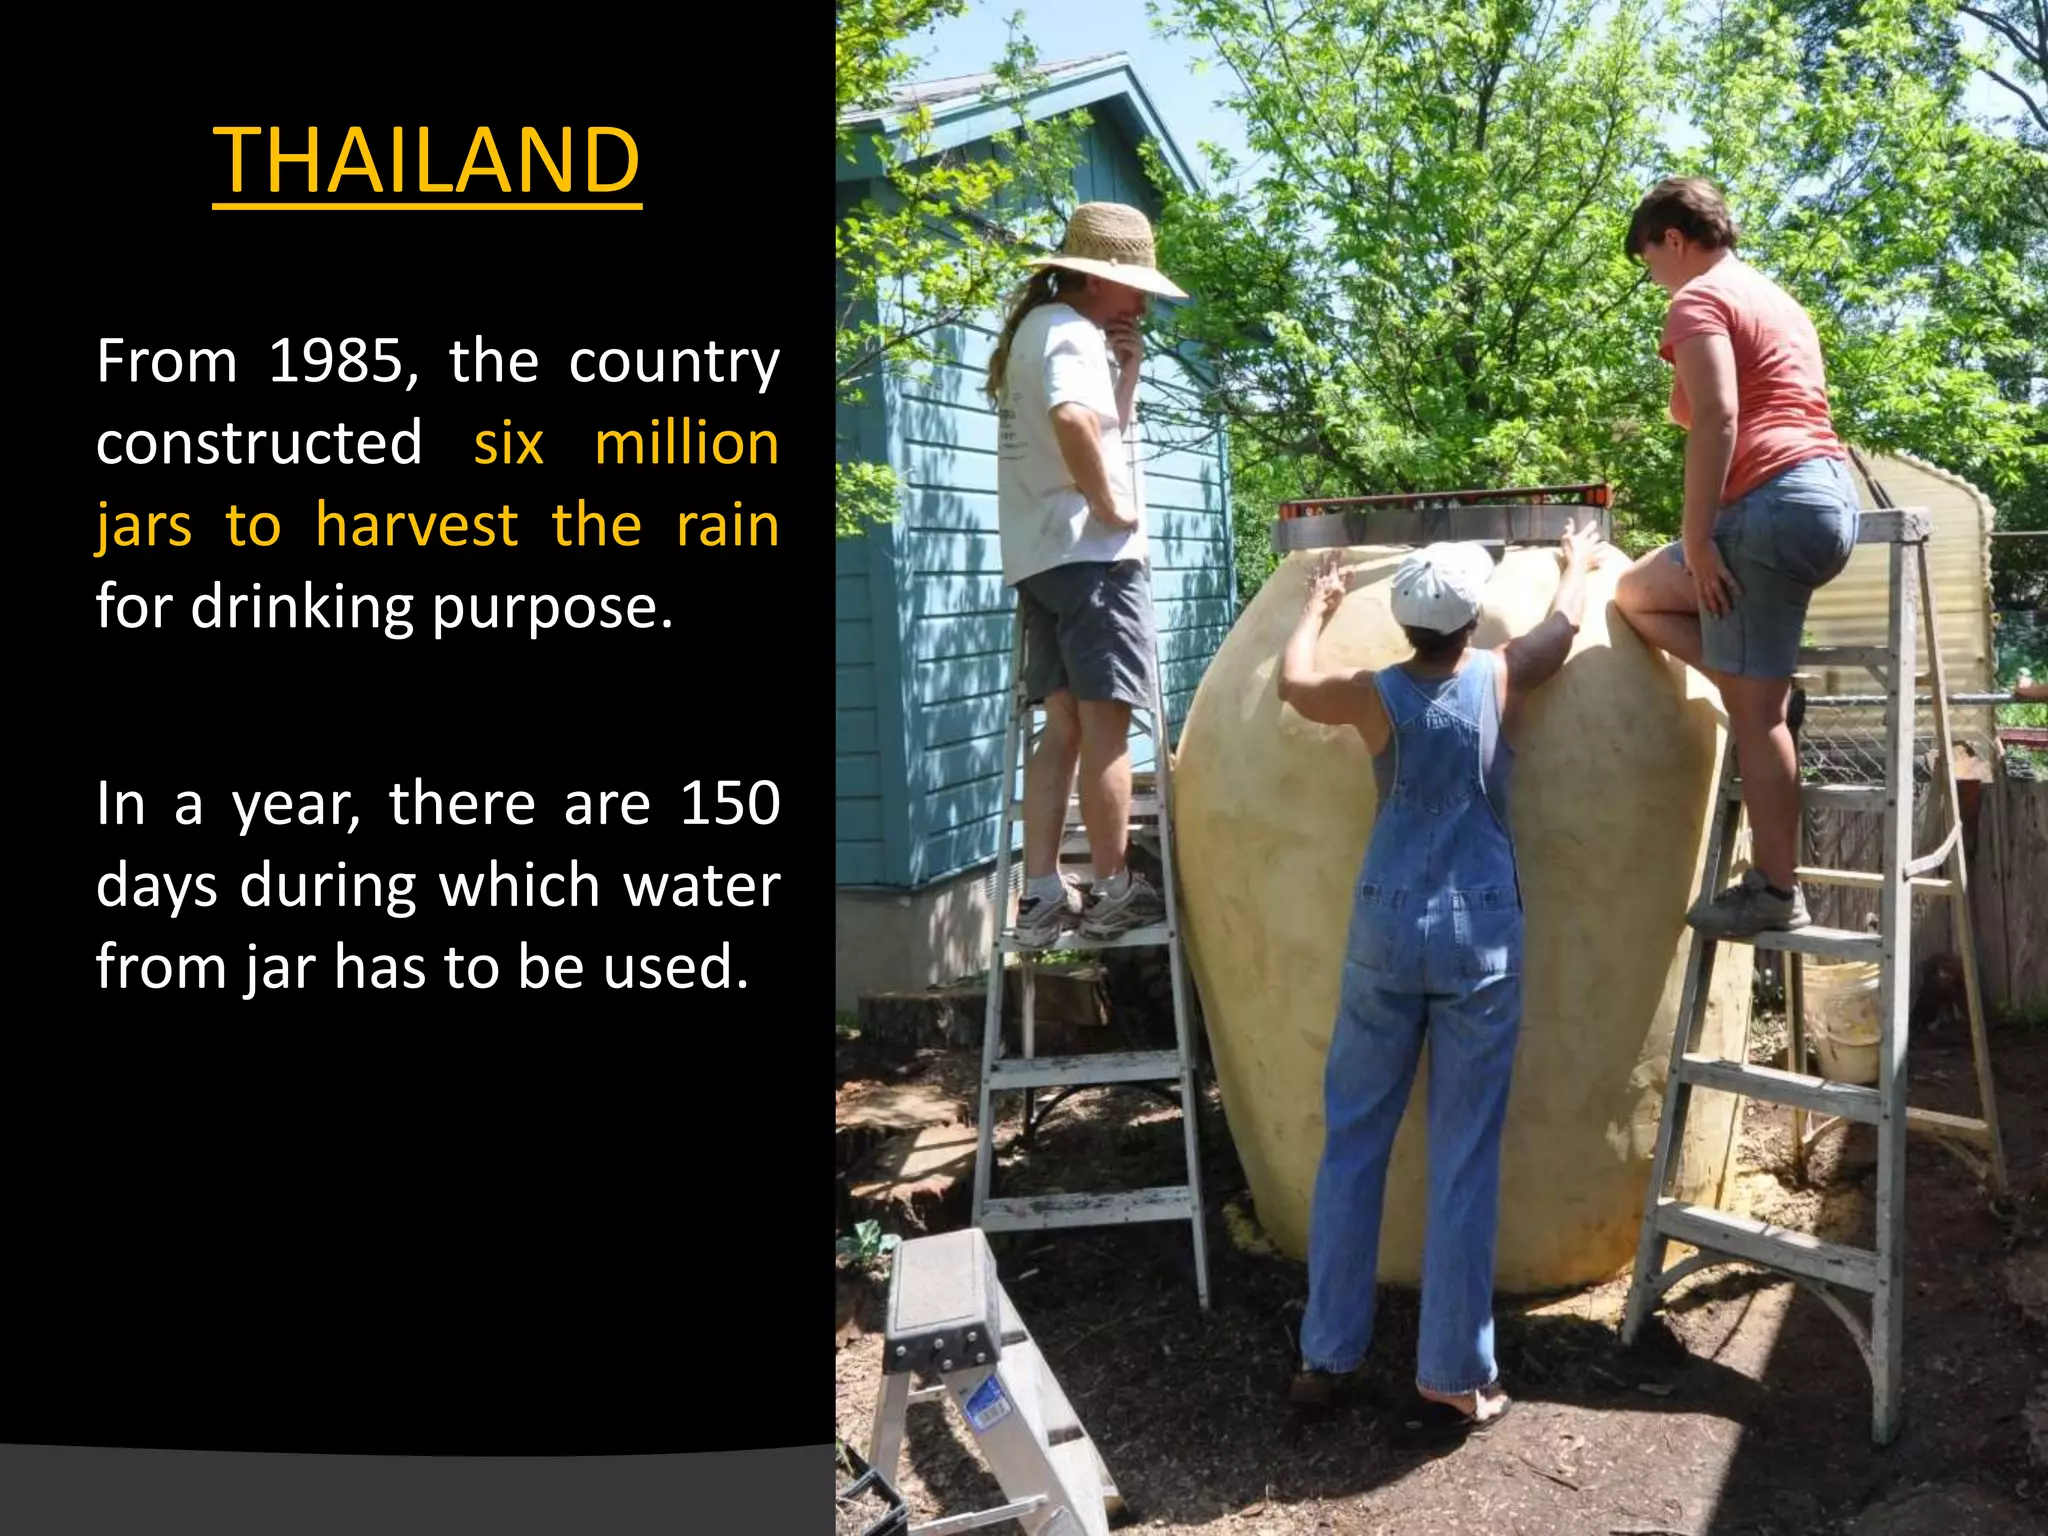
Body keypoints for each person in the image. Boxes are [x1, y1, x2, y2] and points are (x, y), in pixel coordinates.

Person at [1276, 521, 1613, 1430]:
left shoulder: (1372, 695)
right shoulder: (1498, 677)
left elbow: (1291, 683)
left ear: (1407, 623)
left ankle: (1326, 1355)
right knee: (1463, 1156)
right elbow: (1564, 628)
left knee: (1352, 1145)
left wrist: (1314, 607)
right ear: (1469, 622)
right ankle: (1454, 1372)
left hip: (1385, 931)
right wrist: (1579, 565)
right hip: (1480, 945)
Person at [1611, 176, 1862, 938]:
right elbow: (1702, 402)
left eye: (1649, 258)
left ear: (1674, 240)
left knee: (1752, 716)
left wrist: (1696, 537)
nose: (1653, 274)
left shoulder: (1696, 299)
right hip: (1827, 499)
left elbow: (1715, 417)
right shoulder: (1775, 300)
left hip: (1767, 507)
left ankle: (1775, 895)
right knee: (1638, 593)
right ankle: (1762, 690)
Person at [985, 203, 1187, 946]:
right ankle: (1112, 887)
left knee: (1064, 725)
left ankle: (1040, 892)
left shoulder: (1045, 332)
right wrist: (1112, 505)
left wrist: (1126, 371)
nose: (1141, 301)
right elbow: (1074, 424)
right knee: (1109, 725)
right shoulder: (1070, 335)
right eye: (1133, 285)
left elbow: (1099, 427)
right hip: (1093, 557)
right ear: (1099, 278)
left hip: (1041, 557)